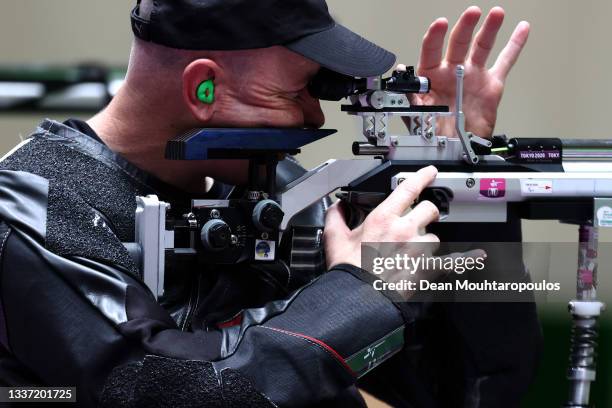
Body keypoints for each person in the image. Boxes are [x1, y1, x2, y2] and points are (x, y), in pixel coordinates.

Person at [0, 0, 540, 406]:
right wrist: (360, 292)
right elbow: (167, 392)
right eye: (296, 93)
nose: (314, 118)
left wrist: (459, 178)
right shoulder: (34, 208)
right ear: (204, 89)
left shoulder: (284, 194)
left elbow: (466, 391)